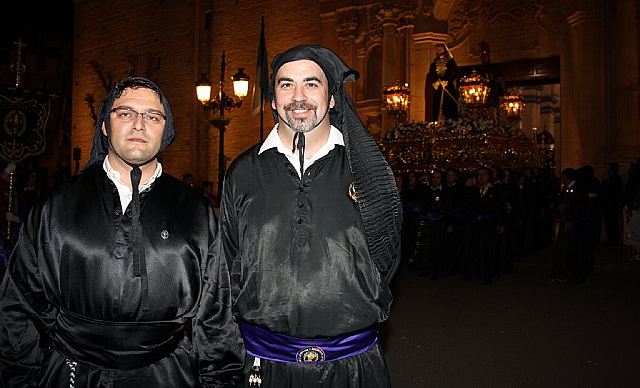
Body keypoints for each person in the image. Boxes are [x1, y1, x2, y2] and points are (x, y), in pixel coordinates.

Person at [0, 77, 244, 387]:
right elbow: (19, 308)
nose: (139, 124)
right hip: (72, 373)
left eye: (152, 116)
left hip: (166, 376)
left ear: (165, 132)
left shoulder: (195, 211)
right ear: (104, 125)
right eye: (125, 113)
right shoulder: (56, 206)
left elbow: (216, 316)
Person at [219, 45, 402, 387]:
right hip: (264, 365)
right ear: (272, 99)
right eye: (286, 85)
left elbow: (388, 259)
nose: (298, 96)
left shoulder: (368, 169)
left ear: (332, 97)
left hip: (352, 367)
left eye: (312, 84)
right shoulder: (242, 172)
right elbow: (227, 264)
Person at [427, 43, 458, 121]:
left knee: (449, 106)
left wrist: (444, 80)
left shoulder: (451, 62)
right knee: (437, 105)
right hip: (438, 88)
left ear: (445, 50)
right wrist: (436, 81)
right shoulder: (433, 64)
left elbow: (452, 72)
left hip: (448, 87)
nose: (439, 50)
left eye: (441, 49)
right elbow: (432, 74)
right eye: (438, 49)